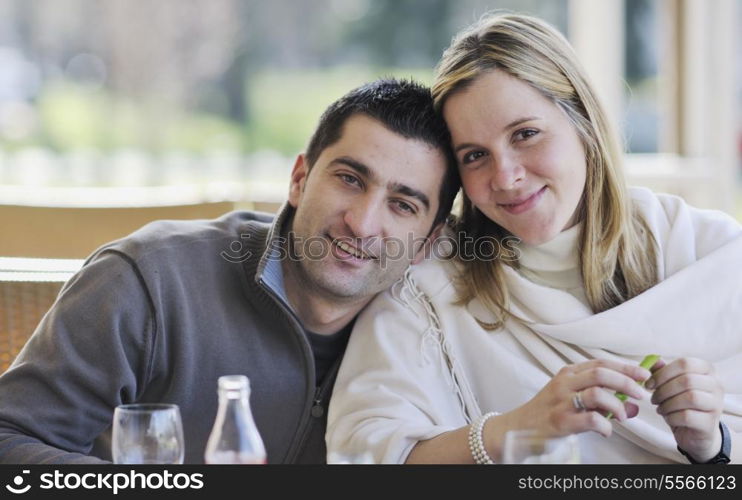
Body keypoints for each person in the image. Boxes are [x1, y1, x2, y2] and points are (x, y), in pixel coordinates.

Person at [326, 14, 742, 464]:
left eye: (525, 134)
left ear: (582, 120)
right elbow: (364, 454)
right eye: (475, 155)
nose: (506, 177)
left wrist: (713, 447)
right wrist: (516, 428)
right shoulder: (424, 289)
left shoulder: (710, 254)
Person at [0, 78, 459, 464]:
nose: (362, 223)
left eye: (402, 205)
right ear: (299, 178)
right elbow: (9, 440)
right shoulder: (149, 278)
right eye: (349, 179)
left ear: (428, 240)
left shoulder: (434, 334)